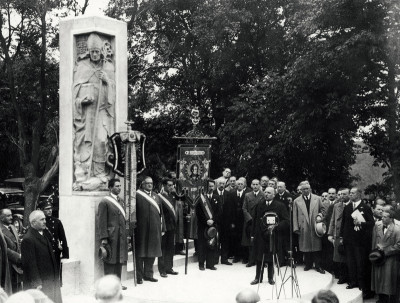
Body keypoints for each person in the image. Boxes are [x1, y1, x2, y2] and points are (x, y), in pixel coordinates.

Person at [72, 33, 116, 191]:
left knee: (101, 141)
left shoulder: (108, 67)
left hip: (102, 112)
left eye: (98, 52)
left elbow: (113, 95)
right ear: (89, 52)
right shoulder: (82, 66)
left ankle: (99, 173)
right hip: (87, 113)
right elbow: (75, 91)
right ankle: (84, 173)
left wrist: (107, 81)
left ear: (101, 52)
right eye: (93, 52)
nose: (95, 54)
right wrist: (81, 101)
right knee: (84, 143)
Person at [340, 187, 374, 299]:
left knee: (360, 263)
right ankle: (353, 281)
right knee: (351, 262)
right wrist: (342, 237)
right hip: (349, 240)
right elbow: (343, 223)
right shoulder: (348, 207)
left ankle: (361, 285)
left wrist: (361, 223)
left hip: (360, 242)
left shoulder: (366, 207)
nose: (350, 195)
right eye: (350, 193)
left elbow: (371, 223)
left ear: (359, 194)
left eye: (353, 193)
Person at [250, 187, 289, 285]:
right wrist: (253, 234)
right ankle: (258, 277)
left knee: (271, 256)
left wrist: (276, 226)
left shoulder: (280, 206)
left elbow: (286, 221)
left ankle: (270, 278)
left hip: (273, 235)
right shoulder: (259, 205)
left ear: (274, 195)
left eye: (269, 193)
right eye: (265, 192)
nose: (266, 194)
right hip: (260, 235)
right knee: (259, 257)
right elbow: (254, 221)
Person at [21, 210, 62, 303]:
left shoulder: (43, 234)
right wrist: (37, 283)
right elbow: (31, 264)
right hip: (41, 283)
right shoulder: (28, 239)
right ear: (33, 222)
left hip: (50, 280)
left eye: (45, 219)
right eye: (42, 219)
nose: (45, 221)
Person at [98, 179, 128, 288]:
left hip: (121, 235)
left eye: (120, 186)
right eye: (116, 186)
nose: (119, 188)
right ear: (110, 188)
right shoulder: (104, 202)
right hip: (111, 237)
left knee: (119, 260)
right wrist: (104, 238)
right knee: (110, 260)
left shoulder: (121, 201)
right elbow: (101, 222)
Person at [135, 177, 164, 283]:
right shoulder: (137, 195)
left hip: (154, 229)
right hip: (141, 229)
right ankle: (139, 276)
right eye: (147, 183)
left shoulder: (156, 196)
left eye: (151, 183)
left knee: (152, 252)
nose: (150, 185)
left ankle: (149, 274)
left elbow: (161, 214)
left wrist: (162, 227)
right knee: (141, 253)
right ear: (143, 184)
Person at [292, 182, 326, 273]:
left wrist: (320, 215)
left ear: (310, 189)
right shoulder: (296, 201)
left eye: (307, 189)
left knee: (316, 246)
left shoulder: (317, 198)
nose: (305, 190)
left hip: (314, 225)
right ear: (301, 190)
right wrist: (296, 228)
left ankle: (318, 266)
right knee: (305, 246)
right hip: (303, 226)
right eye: (303, 189)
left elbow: (323, 210)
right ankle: (308, 264)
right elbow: (294, 215)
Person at [371, 207, 400, 303]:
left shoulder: (397, 230)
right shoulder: (377, 226)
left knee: (389, 281)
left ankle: (392, 300)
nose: (382, 218)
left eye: (385, 217)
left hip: (390, 259)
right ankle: (381, 299)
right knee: (379, 279)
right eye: (382, 216)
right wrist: (374, 253)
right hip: (378, 258)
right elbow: (374, 241)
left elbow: (398, 246)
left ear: (391, 218)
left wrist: (385, 250)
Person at [38, 202, 69, 284]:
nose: (50, 211)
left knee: (55, 276)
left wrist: (65, 253)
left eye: (50, 208)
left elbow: (63, 237)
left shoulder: (57, 222)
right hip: (44, 253)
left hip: (55, 252)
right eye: (47, 209)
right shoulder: (38, 223)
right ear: (41, 210)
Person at [196, 179, 220, 270]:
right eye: (209, 186)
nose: (211, 188)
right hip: (203, 225)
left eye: (212, 186)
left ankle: (210, 264)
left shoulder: (216, 197)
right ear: (205, 187)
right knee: (202, 245)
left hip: (213, 225)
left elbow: (219, 211)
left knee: (212, 244)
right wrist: (206, 221)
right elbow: (198, 212)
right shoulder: (200, 198)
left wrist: (213, 220)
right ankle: (201, 264)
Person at [157, 178, 179, 277]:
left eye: (172, 185)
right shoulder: (159, 197)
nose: (171, 187)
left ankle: (169, 268)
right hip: (164, 226)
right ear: (164, 186)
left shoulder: (173, 196)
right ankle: (162, 270)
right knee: (163, 248)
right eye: (169, 185)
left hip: (172, 225)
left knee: (170, 248)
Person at [327, 188, 349, 285]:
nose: (341, 196)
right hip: (337, 234)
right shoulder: (336, 206)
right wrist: (330, 233)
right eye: (340, 194)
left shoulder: (352, 206)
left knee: (348, 257)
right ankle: (342, 276)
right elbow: (332, 220)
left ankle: (350, 277)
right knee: (339, 257)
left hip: (348, 235)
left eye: (344, 194)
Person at [242, 179, 265, 267]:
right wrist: (250, 219)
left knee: (260, 241)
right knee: (250, 242)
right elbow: (244, 208)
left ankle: (261, 261)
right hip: (250, 221)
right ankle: (251, 260)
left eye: (257, 184)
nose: (255, 186)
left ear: (259, 185)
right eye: (253, 184)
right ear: (251, 185)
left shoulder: (263, 195)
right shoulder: (247, 195)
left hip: (260, 221)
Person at [0, 209, 22, 293]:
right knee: (9, 290)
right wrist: (18, 256)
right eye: (8, 216)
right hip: (6, 264)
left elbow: (18, 242)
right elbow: (3, 248)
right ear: (1, 218)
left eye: (11, 215)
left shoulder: (12, 227)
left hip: (17, 265)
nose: (11, 218)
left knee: (17, 288)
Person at [227, 178, 247, 263]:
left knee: (243, 238)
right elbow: (229, 208)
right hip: (234, 220)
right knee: (235, 238)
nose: (239, 186)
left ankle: (244, 256)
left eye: (241, 184)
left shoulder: (247, 194)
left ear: (244, 185)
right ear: (236, 185)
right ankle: (236, 256)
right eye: (238, 184)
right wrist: (231, 222)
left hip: (243, 220)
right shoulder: (231, 194)